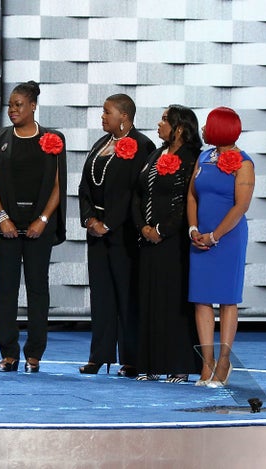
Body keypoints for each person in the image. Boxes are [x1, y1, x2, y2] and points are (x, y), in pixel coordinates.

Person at [0, 81, 67, 373]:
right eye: (10, 104)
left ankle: (34, 354)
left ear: (32, 106)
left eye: (19, 104)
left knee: (38, 289)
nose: (13, 109)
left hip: (39, 227)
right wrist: (2, 217)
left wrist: (42, 220)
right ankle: (9, 354)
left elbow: (57, 185)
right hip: (7, 226)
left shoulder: (52, 138)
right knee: (5, 290)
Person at [78, 93, 156, 377]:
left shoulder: (143, 146)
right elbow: (85, 185)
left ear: (124, 116)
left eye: (106, 112)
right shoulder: (101, 144)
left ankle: (131, 358)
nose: (102, 116)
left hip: (123, 234)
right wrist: (89, 219)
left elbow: (135, 193)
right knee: (101, 295)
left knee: (127, 295)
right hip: (96, 232)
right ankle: (99, 355)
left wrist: (109, 223)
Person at [132, 105, 202, 383]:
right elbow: (138, 195)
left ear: (180, 128)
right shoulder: (155, 155)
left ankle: (179, 364)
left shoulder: (191, 158)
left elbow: (188, 201)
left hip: (174, 244)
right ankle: (150, 365)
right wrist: (143, 227)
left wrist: (162, 229)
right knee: (148, 300)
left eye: (164, 120)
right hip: (148, 241)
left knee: (173, 302)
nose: (159, 124)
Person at [187, 107, 254, 387]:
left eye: (208, 125)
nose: (203, 129)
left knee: (227, 299)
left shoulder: (244, 162)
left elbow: (241, 205)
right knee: (201, 299)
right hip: (199, 237)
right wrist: (193, 229)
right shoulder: (204, 157)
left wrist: (215, 235)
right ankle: (207, 363)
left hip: (228, 238)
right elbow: (192, 194)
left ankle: (224, 363)